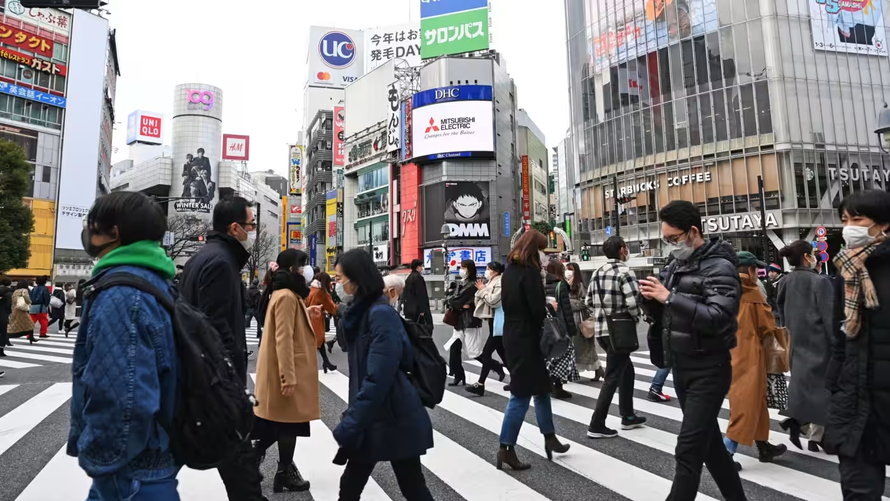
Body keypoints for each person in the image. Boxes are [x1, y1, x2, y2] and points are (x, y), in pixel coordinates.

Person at [67, 191, 180, 500]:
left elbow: (123, 396)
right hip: (148, 460)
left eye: (92, 225)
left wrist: (102, 457)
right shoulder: (154, 280)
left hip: (131, 471)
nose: (88, 233)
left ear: (113, 232)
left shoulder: (122, 294)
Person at [639, 201, 745, 501]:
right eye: (667, 239)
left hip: (709, 368)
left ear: (693, 231)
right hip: (681, 365)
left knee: (688, 449)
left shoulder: (720, 267)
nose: (671, 245)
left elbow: (719, 317)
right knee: (710, 446)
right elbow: (668, 313)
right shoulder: (676, 266)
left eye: (674, 239)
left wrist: (669, 297)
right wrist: (650, 297)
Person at [178, 195, 264, 501]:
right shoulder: (221, 263)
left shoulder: (201, 258)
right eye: (251, 224)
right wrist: (230, 377)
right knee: (239, 466)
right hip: (216, 382)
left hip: (203, 376)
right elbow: (216, 325)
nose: (254, 230)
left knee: (235, 463)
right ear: (235, 228)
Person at [333, 249, 434, 501]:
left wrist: (352, 422)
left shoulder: (380, 315)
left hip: (392, 414)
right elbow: (347, 345)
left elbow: (379, 376)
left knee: (411, 486)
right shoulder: (359, 311)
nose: (337, 283)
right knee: (355, 485)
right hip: (377, 414)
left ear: (356, 279)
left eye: (339, 278)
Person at [823, 190, 890, 499]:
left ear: (884, 224)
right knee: (857, 489)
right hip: (855, 398)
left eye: (858, 219)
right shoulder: (846, 269)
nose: (849, 226)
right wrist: (835, 382)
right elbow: (840, 336)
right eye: (845, 220)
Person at [497, 230, 570, 470]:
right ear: (533, 249)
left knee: (541, 388)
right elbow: (536, 310)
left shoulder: (509, 271)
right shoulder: (529, 273)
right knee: (520, 393)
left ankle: (550, 437)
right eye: (543, 250)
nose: (546, 255)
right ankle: (506, 448)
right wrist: (548, 303)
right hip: (527, 337)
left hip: (514, 333)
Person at [253, 249, 320, 493]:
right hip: (285, 371)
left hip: (284, 370)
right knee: (287, 424)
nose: (304, 270)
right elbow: (283, 338)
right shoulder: (285, 296)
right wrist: (288, 376)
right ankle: (278, 470)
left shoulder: (286, 293)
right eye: (301, 265)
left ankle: (278, 469)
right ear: (291, 268)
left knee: (284, 424)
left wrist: (307, 312)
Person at [723, 251, 787, 469]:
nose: (759, 273)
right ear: (750, 270)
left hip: (728, 353)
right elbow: (767, 326)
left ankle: (763, 446)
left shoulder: (723, 289)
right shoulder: (753, 293)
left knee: (754, 400)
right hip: (749, 355)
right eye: (756, 269)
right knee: (746, 403)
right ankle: (726, 453)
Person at [586, 236, 647, 438]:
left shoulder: (596, 272)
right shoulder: (624, 271)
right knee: (613, 376)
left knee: (626, 369)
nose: (627, 251)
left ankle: (628, 415)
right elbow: (632, 302)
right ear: (622, 250)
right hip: (620, 331)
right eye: (626, 248)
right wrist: (637, 316)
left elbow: (588, 301)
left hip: (602, 331)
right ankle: (596, 424)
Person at [776, 239, 833, 452]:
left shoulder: (784, 281)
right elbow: (829, 316)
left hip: (795, 340)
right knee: (825, 389)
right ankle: (813, 432)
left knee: (805, 387)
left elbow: (780, 312)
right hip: (819, 342)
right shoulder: (820, 282)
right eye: (812, 253)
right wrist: (838, 345)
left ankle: (804, 427)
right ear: (807, 257)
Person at [466, 262, 507, 396]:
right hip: (493, 321)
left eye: (489, 269)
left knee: (487, 353)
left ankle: (480, 384)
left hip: (499, 321)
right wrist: (482, 290)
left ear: (495, 271)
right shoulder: (490, 282)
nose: (486, 271)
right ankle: (519, 379)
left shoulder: (500, 282)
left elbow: (494, 301)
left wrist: (483, 290)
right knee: (503, 353)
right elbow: (480, 300)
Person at [444, 260, 486, 387]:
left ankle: (494, 366)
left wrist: (456, 301)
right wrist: (456, 301)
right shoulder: (461, 283)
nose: (461, 270)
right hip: (459, 319)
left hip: (469, 321)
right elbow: (451, 298)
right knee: (454, 348)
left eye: (463, 267)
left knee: (474, 352)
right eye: (460, 267)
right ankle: (458, 374)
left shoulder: (473, 284)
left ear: (469, 269)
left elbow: (455, 300)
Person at [544, 260, 580, 400]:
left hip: (547, 323)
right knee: (562, 356)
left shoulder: (543, 283)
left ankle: (548, 384)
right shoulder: (561, 284)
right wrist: (571, 329)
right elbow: (566, 309)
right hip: (559, 324)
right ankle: (557, 387)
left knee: (549, 356)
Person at [566, 262, 603, 382]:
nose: (568, 272)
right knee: (574, 346)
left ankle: (598, 369)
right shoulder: (565, 283)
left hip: (579, 318)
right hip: (571, 317)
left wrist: (569, 303)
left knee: (583, 346)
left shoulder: (579, 284)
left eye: (570, 269)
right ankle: (573, 371)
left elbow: (584, 302)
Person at [306, 271, 339, 373]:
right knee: (317, 342)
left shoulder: (311, 289)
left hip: (308, 318)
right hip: (316, 320)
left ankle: (326, 362)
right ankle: (314, 366)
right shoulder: (322, 293)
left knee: (318, 343)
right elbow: (332, 308)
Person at [402, 259, 432, 324]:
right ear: (418, 267)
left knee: (412, 327)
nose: (422, 268)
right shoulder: (418, 278)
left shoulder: (408, 277)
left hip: (409, 308)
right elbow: (421, 294)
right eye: (422, 266)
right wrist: (422, 309)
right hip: (417, 309)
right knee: (422, 327)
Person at [8, 280, 35, 344]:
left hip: (15, 309)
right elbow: (27, 298)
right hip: (21, 310)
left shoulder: (15, 291)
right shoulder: (24, 290)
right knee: (30, 324)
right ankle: (7, 336)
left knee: (15, 324)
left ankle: (31, 337)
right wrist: (30, 302)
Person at [0, 278, 11, 357]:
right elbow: (9, 306)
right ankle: (1, 351)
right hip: (3, 316)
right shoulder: (8, 293)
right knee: (3, 334)